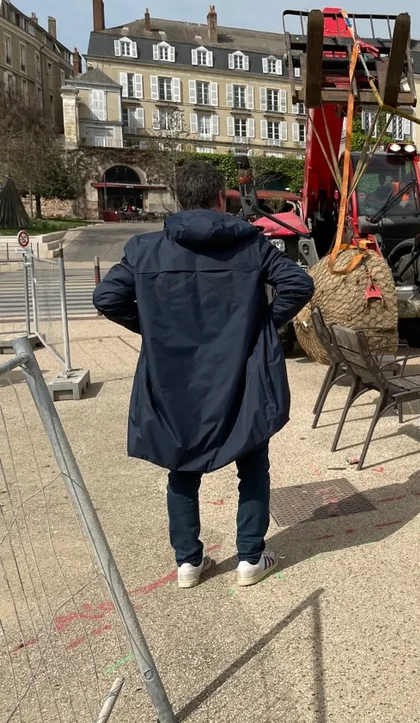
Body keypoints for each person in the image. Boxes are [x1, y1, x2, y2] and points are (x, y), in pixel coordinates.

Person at [93, 162, 315, 590]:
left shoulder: (145, 248)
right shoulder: (251, 246)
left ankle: (188, 564)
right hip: (241, 372)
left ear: (178, 198)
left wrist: (153, 328)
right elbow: (299, 285)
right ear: (220, 199)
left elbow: (106, 296)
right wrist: (265, 324)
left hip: (176, 376)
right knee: (252, 461)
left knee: (181, 467)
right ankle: (251, 557)